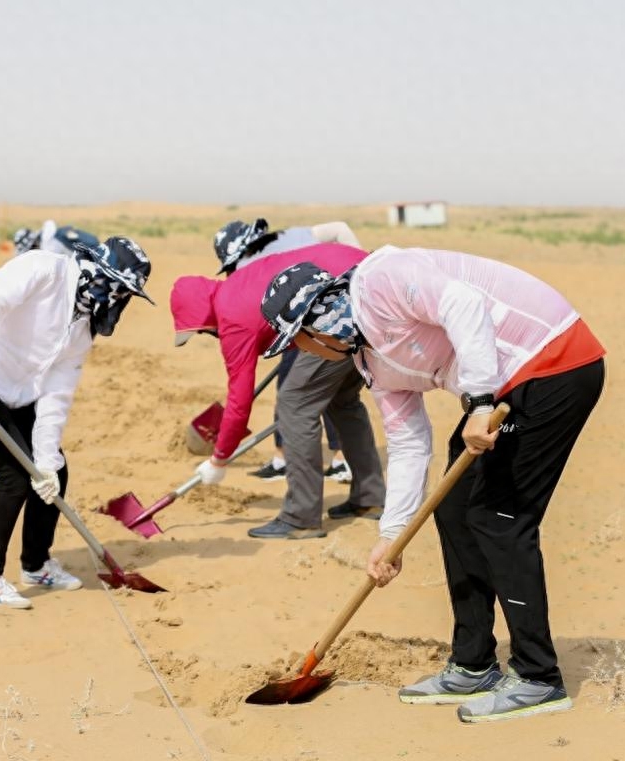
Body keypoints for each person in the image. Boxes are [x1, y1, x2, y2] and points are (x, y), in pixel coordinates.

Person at [259, 248, 605, 722]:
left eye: (299, 341)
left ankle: (538, 677)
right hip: (504, 386)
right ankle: (473, 663)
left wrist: (480, 402)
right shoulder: (370, 362)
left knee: (498, 517)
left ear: (319, 319)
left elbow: (463, 303)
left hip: (554, 360)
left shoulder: (380, 280)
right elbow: (407, 444)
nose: (303, 352)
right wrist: (391, 536)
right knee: (455, 508)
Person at [0, 236, 153, 609]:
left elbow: (56, 395)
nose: (118, 298)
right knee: (14, 478)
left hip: (16, 397)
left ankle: (36, 565)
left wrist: (47, 461)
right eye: (117, 287)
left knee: (53, 472)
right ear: (98, 273)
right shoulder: (43, 269)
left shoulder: (83, 329)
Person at [171, 240, 385, 540]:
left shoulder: (232, 319)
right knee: (342, 400)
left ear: (202, 318)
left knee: (295, 403)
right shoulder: (237, 286)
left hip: (340, 300)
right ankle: (369, 498)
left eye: (201, 331)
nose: (208, 335)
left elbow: (239, 400)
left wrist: (219, 459)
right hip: (364, 287)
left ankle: (301, 517)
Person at [212, 217, 361, 483]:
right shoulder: (292, 235)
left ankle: (338, 459)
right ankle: (291, 457)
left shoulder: (248, 265)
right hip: (308, 317)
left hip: (317, 318)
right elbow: (339, 227)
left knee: (307, 392)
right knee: (300, 388)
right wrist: (359, 266)